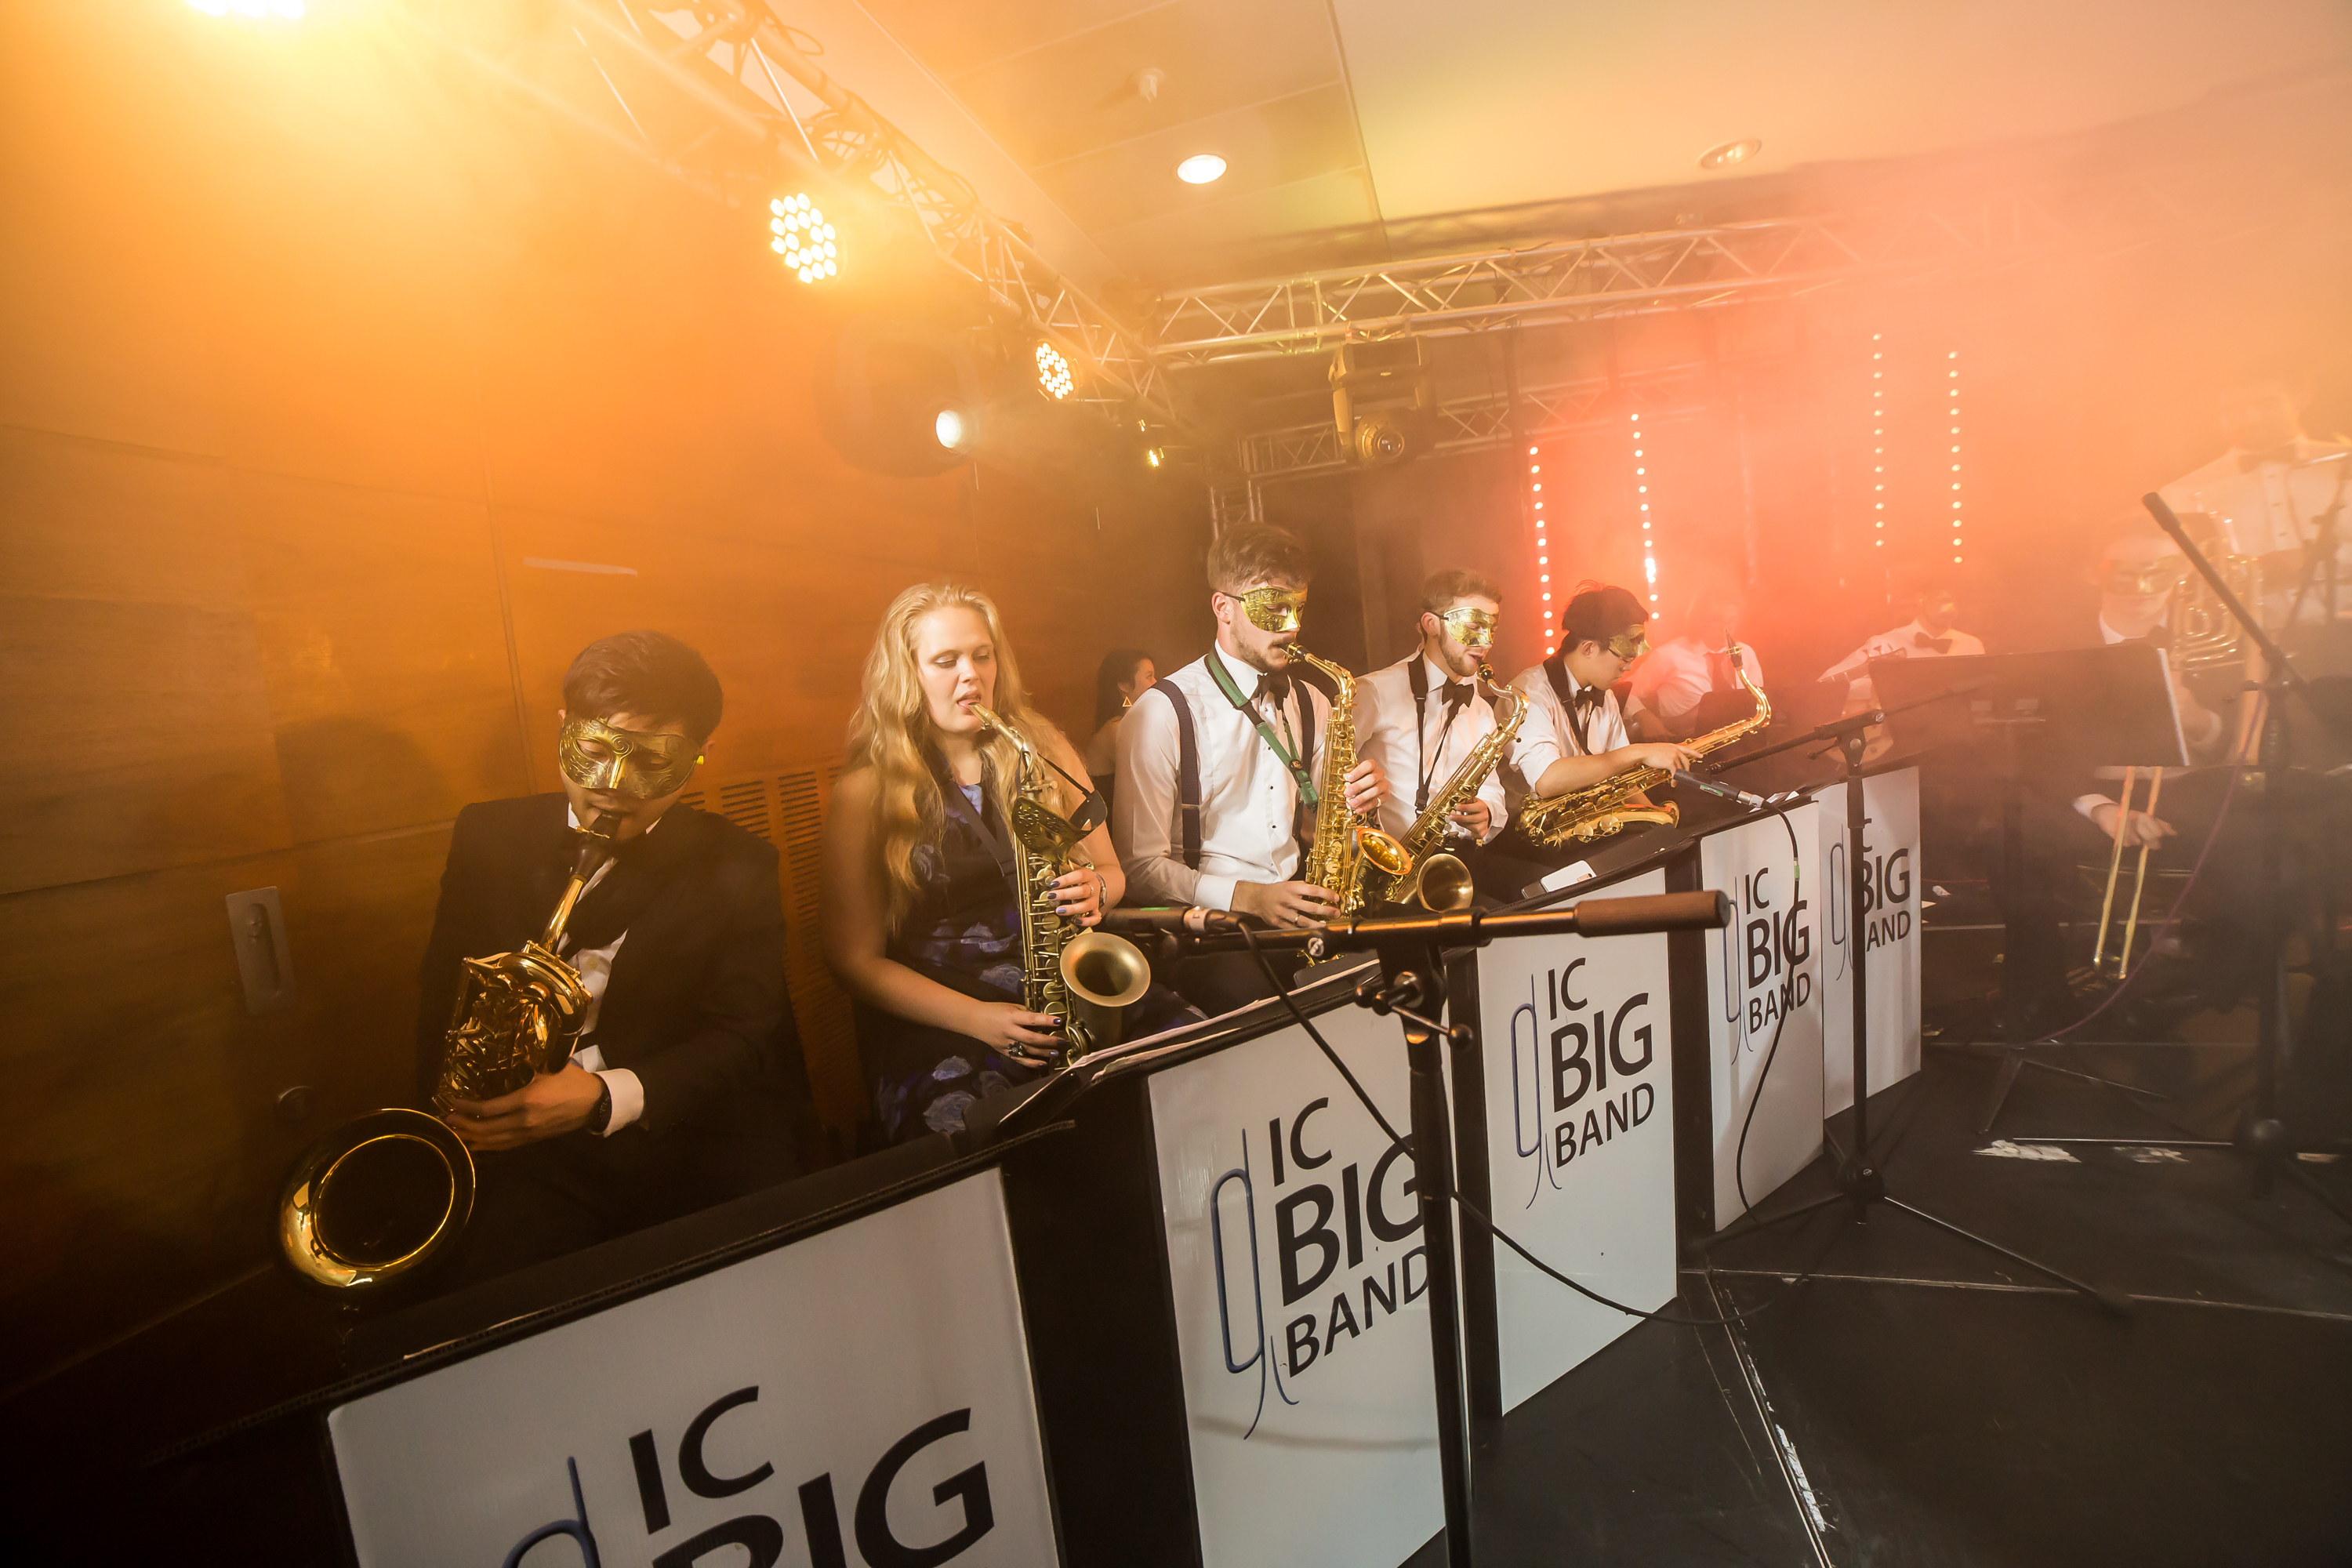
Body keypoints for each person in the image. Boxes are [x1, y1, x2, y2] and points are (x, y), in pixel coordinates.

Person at [419, 630, 806, 1286]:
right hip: (523, 1147)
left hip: (679, 1130)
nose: (611, 787)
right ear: (563, 726)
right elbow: (440, 993)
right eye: (592, 750)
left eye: (651, 762)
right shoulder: (485, 834)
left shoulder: (743, 865)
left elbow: (744, 1037)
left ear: (701, 756)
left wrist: (602, 1097)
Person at [822, 584, 1196, 1143]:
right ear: (908, 674)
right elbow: (852, 961)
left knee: (1202, 1058)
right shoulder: (864, 792)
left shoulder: (1045, 749)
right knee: (975, 1146)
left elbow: (1114, 873)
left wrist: (1097, 888)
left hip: (1070, 987)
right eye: (945, 661)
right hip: (950, 1016)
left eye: (982, 654)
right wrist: (979, 1020)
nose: (970, 675)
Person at [1115, 523, 1388, 1012]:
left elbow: (1333, 828)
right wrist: (1250, 898)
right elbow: (1138, 869)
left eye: (1298, 608)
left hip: (1299, 910)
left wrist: (1360, 808)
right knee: (1278, 1019)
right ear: (1223, 608)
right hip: (1209, 933)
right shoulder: (1162, 712)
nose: (1292, 627)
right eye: (1273, 608)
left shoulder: (1314, 700)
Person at [2158, 375, 2351, 625]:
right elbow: (2174, 582)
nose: (2251, 418)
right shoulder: (2179, 492)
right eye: (2235, 410)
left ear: (2300, 398)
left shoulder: (2344, 462)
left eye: (2267, 404)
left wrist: (2323, 558)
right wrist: (2246, 574)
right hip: (2252, 643)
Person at [1503, 583, 1694, 819]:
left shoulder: (1605, 694)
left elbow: (1620, 778)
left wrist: (1656, 817)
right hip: (1527, 833)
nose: (1630, 667)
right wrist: (1640, 752)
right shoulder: (1529, 694)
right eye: (1623, 659)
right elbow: (1548, 780)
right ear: (1589, 649)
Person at [1356, 568, 1509, 851]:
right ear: (1431, 624)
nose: (1487, 642)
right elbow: (1328, 782)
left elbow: (1491, 787)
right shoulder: (1374, 692)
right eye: (1474, 626)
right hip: (1393, 861)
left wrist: (1488, 809)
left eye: (1492, 630)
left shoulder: (1481, 709)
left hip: (1459, 858)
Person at [1819, 574, 1985, 707]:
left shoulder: (1972, 645)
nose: (1950, 609)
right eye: (1942, 600)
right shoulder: (1885, 644)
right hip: (1900, 739)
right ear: (1921, 599)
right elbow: (1826, 685)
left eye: (1956, 602)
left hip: (1957, 738)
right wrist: (1876, 688)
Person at [1628, 580, 1766, 740]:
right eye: (1717, 622)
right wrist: (1646, 718)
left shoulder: (1746, 653)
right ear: (1699, 619)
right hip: (1685, 744)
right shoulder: (1669, 655)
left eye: (1731, 621)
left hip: (1739, 743)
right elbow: (1627, 693)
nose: (1726, 629)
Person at [1083, 648, 1156, 805]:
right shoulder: (1115, 729)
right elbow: (1152, 776)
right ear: (1124, 686)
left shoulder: (1128, 723)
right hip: (1111, 824)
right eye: (1149, 677)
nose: (1156, 683)